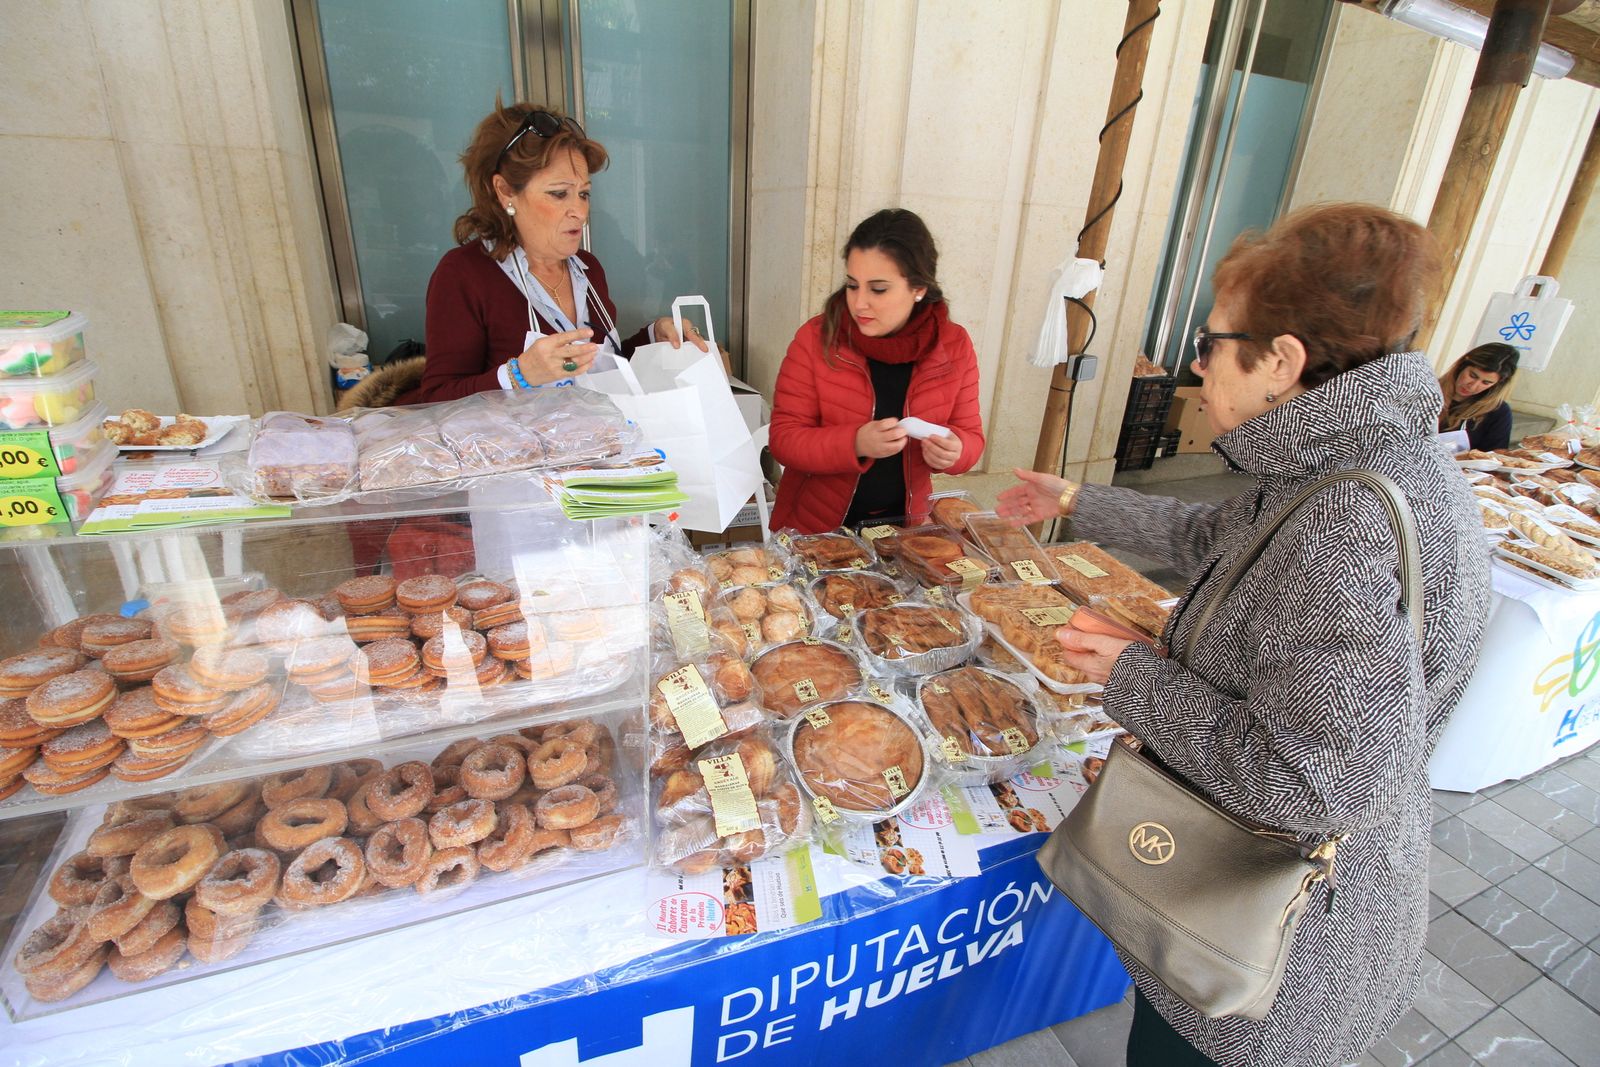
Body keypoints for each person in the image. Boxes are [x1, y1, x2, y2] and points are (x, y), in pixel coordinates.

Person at [996, 203, 1490, 1067]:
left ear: (1283, 363)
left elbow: (1306, 778)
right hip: (1292, 914)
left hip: (1268, 955)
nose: (1195, 362)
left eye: (1214, 340)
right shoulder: (1358, 461)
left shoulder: (1345, 519)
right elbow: (1211, 539)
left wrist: (1133, 673)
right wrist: (1077, 501)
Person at [408, 100, 706, 404]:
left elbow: (598, 370)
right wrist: (519, 374)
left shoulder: (587, 269)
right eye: (559, 194)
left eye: (584, 194)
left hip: (600, 444)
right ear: (506, 191)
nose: (579, 211)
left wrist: (655, 335)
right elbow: (437, 399)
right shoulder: (464, 274)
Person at [767, 209, 984, 533]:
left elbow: (971, 439)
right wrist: (855, 442)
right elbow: (784, 439)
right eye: (853, 285)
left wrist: (956, 451)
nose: (859, 303)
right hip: (817, 529)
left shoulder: (953, 345)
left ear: (919, 287)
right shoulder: (817, 338)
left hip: (905, 531)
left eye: (878, 289)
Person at [1437, 342, 1518, 450]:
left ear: (1496, 385)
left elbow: (1495, 456)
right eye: (1472, 375)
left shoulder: (1498, 411)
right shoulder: (1425, 391)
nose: (1473, 386)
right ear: (1461, 365)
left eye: (1486, 383)